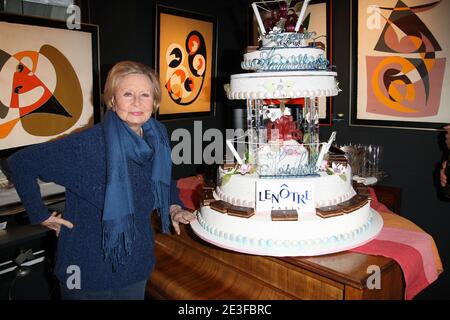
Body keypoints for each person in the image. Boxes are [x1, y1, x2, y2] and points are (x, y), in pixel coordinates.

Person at [7, 60, 197, 300]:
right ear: (112, 100)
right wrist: (40, 214)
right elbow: (21, 163)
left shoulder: (156, 137)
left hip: (135, 262)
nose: (137, 102)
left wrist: (173, 207)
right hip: (87, 268)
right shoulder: (88, 144)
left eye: (145, 94)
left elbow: (164, 180)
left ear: (155, 101)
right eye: (127, 94)